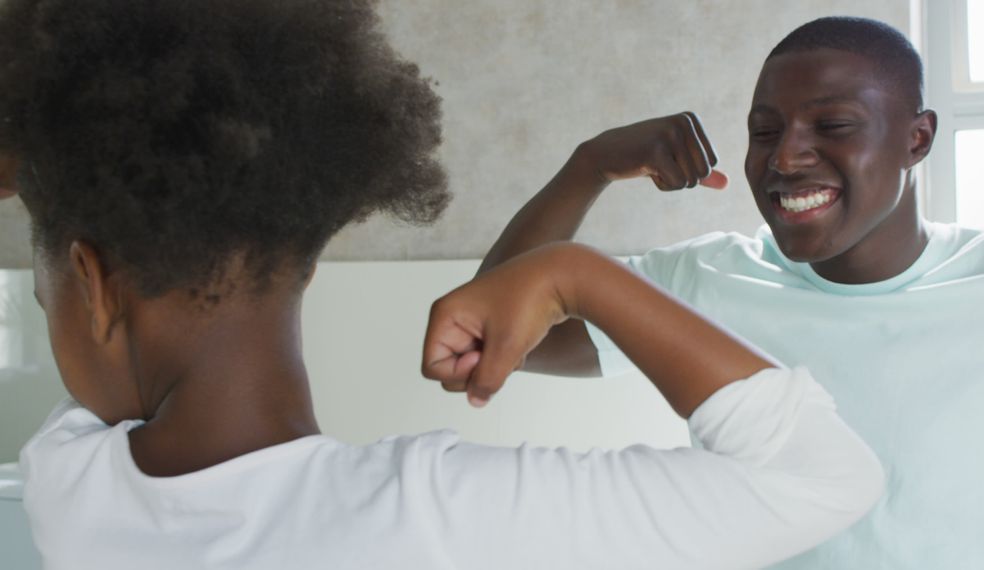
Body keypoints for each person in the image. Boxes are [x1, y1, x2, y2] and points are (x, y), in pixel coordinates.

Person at [0, 1, 884, 568]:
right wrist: (578, 274)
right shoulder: (445, 521)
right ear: (304, 242)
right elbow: (822, 480)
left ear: (96, 283)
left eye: (45, 304)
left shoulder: (69, 483)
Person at [480, 15, 984, 570]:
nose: (785, 157)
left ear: (917, 140)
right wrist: (590, 166)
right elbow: (487, 335)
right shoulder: (705, 280)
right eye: (764, 131)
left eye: (833, 126)